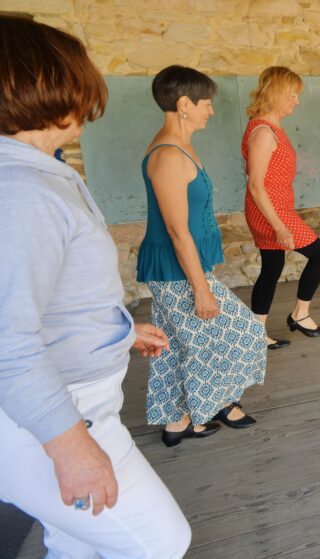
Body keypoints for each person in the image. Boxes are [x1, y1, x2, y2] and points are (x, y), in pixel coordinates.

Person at [0, 16, 190, 557]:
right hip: (52, 415)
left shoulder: (35, 174)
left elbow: (55, 296)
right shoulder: (19, 192)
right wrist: (68, 445)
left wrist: (120, 330)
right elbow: (7, 339)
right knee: (160, 542)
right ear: (47, 86)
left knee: (73, 540)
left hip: (72, 401)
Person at [137, 65, 267, 445]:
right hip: (174, 269)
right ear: (184, 104)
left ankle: (177, 421)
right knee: (241, 333)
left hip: (179, 268)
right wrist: (201, 288)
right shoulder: (168, 156)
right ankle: (212, 405)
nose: (211, 111)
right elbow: (178, 232)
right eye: (206, 104)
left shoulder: (180, 146)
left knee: (175, 343)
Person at [243, 66, 320, 349]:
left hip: (276, 207)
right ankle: (300, 314)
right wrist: (280, 226)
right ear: (278, 93)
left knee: (272, 267)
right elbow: (256, 185)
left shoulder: (269, 127)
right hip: (271, 211)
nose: (297, 101)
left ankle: (257, 333)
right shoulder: (264, 131)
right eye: (293, 95)